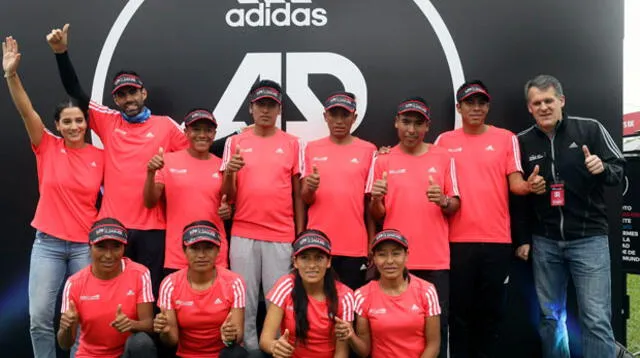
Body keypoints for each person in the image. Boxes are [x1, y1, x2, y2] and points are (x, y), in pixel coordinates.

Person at [46, 24, 241, 297]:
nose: (129, 99)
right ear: (115, 99)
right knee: (111, 294)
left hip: (153, 228)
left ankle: (146, 342)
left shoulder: (165, 126)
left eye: (133, 92)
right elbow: (77, 94)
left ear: (143, 93)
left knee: (150, 297)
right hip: (114, 225)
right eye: (122, 95)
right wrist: (61, 53)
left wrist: (238, 137)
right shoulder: (107, 121)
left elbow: (201, 146)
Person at [2, 36, 104, 358]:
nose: (74, 126)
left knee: (81, 319)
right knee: (39, 319)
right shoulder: (46, 145)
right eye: (67, 122)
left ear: (87, 124)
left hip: (82, 247)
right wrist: (11, 75)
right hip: (47, 244)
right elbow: (26, 109)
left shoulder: (100, 157)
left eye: (79, 121)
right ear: (57, 125)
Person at [513, 74, 624, 358]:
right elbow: (517, 198)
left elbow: (619, 173)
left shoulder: (589, 129)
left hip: (589, 240)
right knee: (551, 319)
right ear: (529, 108)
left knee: (595, 319)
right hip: (545, 242)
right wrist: (524, 234)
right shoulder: (522, 142)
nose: (544, 107)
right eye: (537, 103)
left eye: (549, 100)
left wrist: (602, 168)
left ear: (561, 101)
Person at [434, 80, 545, 358]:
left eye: (481, 102)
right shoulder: (444, 141)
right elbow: (420, 165)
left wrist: (529, 187)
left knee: (491, 316)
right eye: (469, 102)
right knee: (459, 316)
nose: (476, 108)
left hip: (496, 242)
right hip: (455, 242)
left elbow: (516, 184)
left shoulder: (505, 138)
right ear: (459, 107)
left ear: (488, 106)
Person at [365, 97, 459, 358]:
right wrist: (375, 199)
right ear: (396, 123)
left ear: (427, 127)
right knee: (389, 333)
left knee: (436, 332)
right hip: (395, 262)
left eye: (418, 124)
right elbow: (377, 214)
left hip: (435, 262)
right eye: (406, 122)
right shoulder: (382, 160)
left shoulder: (443, 157)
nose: (411, 129)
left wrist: (442, 200)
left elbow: (455, 205)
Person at [220, 80, 304, 350]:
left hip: (281, 235)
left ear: (279, 109)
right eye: (260, 105)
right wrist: (231, 172)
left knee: (277, 304)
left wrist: (300, 237)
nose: (265, 110)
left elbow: (298, 195)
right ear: (251, 108)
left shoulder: (293, 144)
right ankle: (249, 352)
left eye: (271, 105)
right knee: (243, 303)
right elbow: (227, 195)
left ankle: (278, 352)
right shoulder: (235, 142)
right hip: (243, 232)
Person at [301, 92, 377, 290]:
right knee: (319, 306)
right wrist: (310, 187)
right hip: (318, 243)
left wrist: (371, 241)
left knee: (350, 309)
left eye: (345, 115)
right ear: (326, 117)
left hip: (354, 246)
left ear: (355, 118)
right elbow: (305, 199)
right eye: (334, 115)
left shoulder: (369, 150)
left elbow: (370, 203)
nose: (339, 121)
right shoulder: (311, 148)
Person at [144, 109, 230, 273]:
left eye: (208, 130)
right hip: (178, 253)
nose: (202, 135)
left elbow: (229, 204)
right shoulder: (168, 161)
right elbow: (150, 202)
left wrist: (228, 211)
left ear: (214, 134)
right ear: (186, 132)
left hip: (214, 252)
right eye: (196, 129)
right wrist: (149, 173)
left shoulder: (223, 166)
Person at [58, 218, 156, 358]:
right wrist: (66, 328)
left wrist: (131, 324)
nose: (108, 255)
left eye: (116, 247)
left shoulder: (140, 274)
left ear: (124, 248)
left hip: (125, 354)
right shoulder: (74, 283)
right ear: (90, 247)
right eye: (101, 247)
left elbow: (149, 325)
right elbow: (65, 344)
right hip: (90, 355)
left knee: (141, 342)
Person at [341, 229, 441, 358]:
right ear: (374, 258)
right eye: (382, 254)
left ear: (406, 256)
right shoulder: (362, 295)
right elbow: (364, 351)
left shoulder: (427, 291)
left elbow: (434, 344)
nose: (389, 261)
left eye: (396, 254)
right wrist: (351, 336)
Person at [154, 220, 247, 358]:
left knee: (237, 353)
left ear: (218, 250)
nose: (201, 255)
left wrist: (230, 335)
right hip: (185, 355)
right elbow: (171, 342)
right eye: (194, 248)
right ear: (184, 250)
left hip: (222, 354)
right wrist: (165, 332)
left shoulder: (234, 282)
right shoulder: (170, 284)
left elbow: (237, 336)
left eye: (208, 247)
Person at [257, 229, 354, 358]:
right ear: (295, 262)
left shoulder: (344, 295)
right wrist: (274, 346)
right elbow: (265, 340)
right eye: (304, 258)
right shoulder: (285, 286)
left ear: (329, 261)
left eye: (319, 258)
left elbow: (341, 353)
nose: (312, 265)